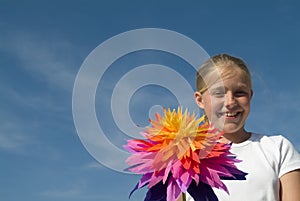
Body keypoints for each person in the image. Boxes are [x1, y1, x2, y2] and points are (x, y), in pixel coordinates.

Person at [187, 54, 300, 201]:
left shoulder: (278, 149)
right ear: (200, 100)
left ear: (250, 95)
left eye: (239, 93)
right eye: (219, 93)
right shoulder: (183, 158)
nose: (230, 102)